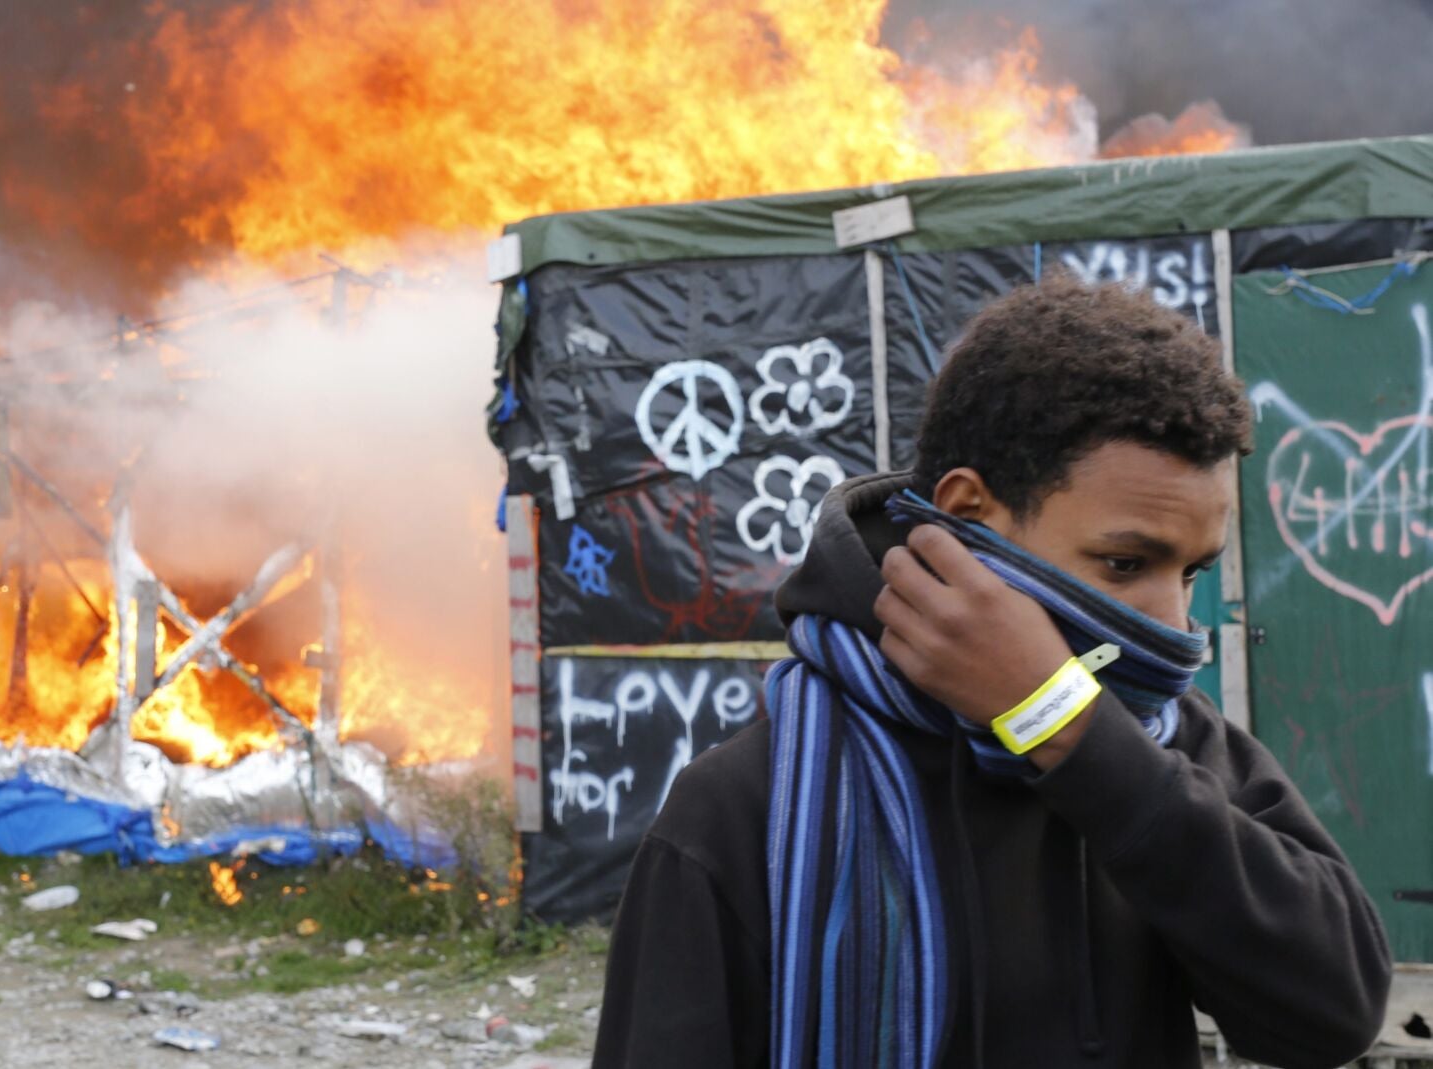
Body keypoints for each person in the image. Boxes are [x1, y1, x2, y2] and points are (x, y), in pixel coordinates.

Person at [590, 277, 1392, 1069]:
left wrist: (1070, 729)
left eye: (1190, 573)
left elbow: (1334, 1013)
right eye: (1124, 561)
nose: (1169, 625)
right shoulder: (742, 810)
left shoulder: (1169, 743)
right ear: (970, 517)